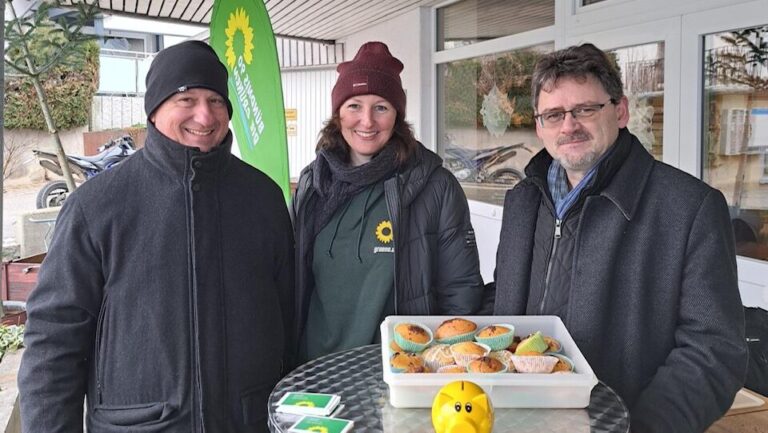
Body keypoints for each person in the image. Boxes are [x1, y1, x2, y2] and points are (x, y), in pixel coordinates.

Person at [18, 40, 294, 433]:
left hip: (248, 420)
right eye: (186, 98)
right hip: (138, 425)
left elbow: (287, 318)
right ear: (154, 109)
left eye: (216, 100)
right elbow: (53, 342)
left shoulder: (263, 198)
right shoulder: (95, 206)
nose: (205, 113)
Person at [492, 43, 747, 433]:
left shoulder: (688, 209)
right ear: (540, 126)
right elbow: (506, 309)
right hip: (513, 418)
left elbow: (713, 350)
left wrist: (639, 428)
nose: (569, 125)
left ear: (621, 111)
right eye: (554, 114)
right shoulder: (522, 200)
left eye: (585, 109)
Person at [292, 41, 484, 363]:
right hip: (315, 371)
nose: (367, 121)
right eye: (354, 105)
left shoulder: (434, 186)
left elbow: (460, 296)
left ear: (397, 116)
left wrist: (439, 370)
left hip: (398, 373)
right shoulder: (314, 183)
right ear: (337, 114)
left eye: (381, 107)